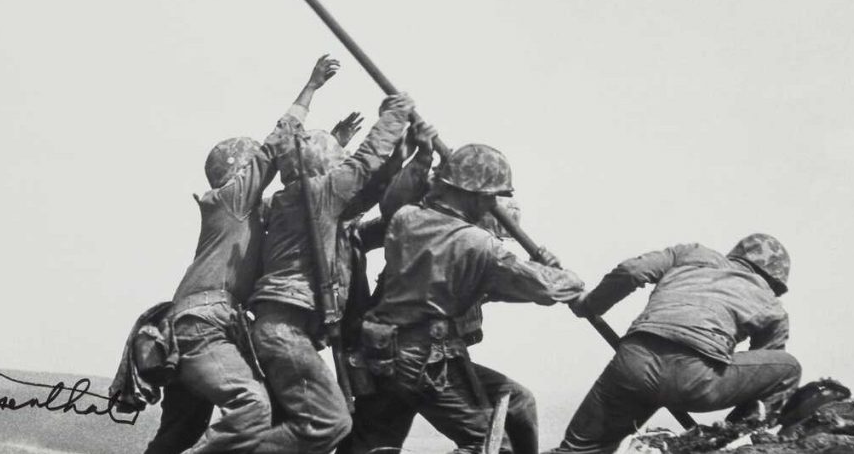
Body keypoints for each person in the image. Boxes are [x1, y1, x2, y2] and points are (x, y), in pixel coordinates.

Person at [143, 55, 340, 454]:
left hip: (200, 328)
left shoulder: (246, 216)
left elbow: (302, 191)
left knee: (178, 433)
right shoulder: (230, 200)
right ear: (239, 171)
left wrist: (333, 143)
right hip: (204, 328)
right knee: (252, 406)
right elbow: (275, 145)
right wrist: (311, 86)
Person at [343, 143, 585, 454]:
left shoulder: (407, 218)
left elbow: (493, 286)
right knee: (490, 447)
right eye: (489, 196)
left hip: (381, 354)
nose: (491, 204)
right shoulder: (477, 244)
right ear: (472, 193)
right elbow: (542, 287)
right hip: (427, 361)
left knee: (371, 444)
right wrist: (564, 276)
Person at [248, 90, 416, 454]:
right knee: (330, 423)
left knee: (307, 426)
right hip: (285, 330)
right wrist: (395, 114)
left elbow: (367, 196)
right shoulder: (318, 194)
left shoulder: (299, 204)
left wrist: (401, 159)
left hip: (284, 328)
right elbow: (364, 164)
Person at [547, 233, 802, 454]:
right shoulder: (772, 305)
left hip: (633, 365)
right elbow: (761, 372)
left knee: (577, 450)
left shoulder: (691, 254)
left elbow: (632, 271)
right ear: (775, 281)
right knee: (788, 369)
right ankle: (736, 441)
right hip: (696, 380)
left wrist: (590, 304)